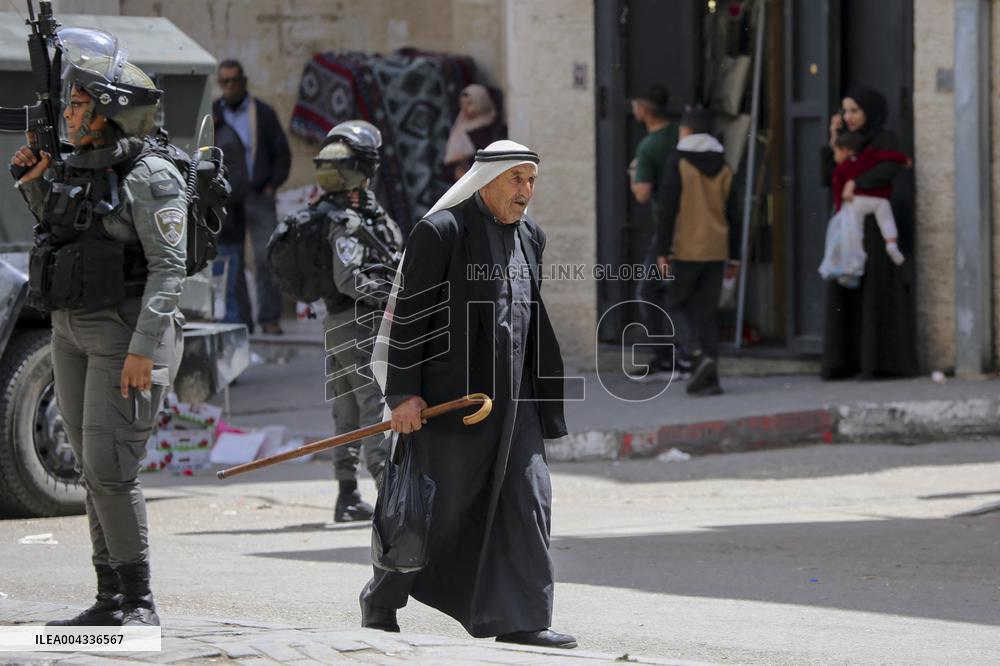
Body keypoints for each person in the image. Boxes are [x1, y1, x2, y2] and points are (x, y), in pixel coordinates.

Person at [362, 140, 576, 649]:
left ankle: (523, 618)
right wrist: (403, 395)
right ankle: (383, 597)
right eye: (516, 179)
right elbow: (409, 318)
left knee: (528, 500)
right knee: (439, 510)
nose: (525, 191)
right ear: (487, 180)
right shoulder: (441, 232)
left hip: (517, 404)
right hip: (452, 404)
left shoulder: (531, 237)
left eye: (531, 181)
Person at [10, 28, 186, 626]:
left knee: (113, 470)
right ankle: (108, 597)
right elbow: (65, 234)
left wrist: (143, 350)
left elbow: (169, 269)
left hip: (125, 332)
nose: (69, 111)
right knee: (92, 472)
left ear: (109, 111)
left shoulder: (151, 175)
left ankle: (139, 604)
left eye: (80, 103)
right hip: (70, 330)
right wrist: (35, 188)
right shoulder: (81, 165)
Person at [316, 121, 401, 521]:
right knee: (375, 409)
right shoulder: (346, 220)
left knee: (347, 412)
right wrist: (392, 296)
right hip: (359, 325)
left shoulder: (351, 211)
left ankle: (347, 495)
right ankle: (390, 496)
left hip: (339, 324)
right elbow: (348, 278)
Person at [821, 86, 919, 380]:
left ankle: (876, 363)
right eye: (845, 111)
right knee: (843, 288)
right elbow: (827, 176)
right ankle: (843, 362)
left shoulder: (884, 139)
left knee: (874, 291)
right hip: (849, 225)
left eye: (855, 111)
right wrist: (833, 139)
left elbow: (890, 167)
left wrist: (858, 182)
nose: (849, 117)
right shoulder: (845, 141)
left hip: (873, 229)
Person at [655, 107, 741, 396]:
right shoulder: (725, 165)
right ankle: (711, 379)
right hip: (716, 250)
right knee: (706, 315)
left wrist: (662, 250)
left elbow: (667, 209)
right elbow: (736, 214)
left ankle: (695, 355)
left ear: (687, 131)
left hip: (685, 248)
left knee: (674, 304)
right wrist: (735, 256)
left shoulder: (678, 161)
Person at [213, 59, 291, 335]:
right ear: (220, 84)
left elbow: (282, 153)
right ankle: (242, 322)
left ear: (244, 81)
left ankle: (269, 317)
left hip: (259, 195)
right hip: (229, 201)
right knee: (231, 261)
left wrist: (271, 184)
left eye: (235, 80)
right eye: (225, 81)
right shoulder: (213, 115)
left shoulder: (263, 113)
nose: (231, 86)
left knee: (266, 257)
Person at [628, 84, 681, 381]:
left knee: (648, 291)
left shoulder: (648, 147)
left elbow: (643, 194)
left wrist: (633, 175)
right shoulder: (677, 133)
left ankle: (666, 358)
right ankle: (681, 356)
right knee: (674, 290)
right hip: (689, 224)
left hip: (666, 227)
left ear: (644, 110)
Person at [829, 131, 910, 266]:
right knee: (886, 218)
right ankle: (891, 243)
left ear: (845, 151)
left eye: (836, 152)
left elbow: (838, 192)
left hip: (856, 201)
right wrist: (904, 159)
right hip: (877, 200)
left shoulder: (841, 170)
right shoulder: (869, 156)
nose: (834, 156)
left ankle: (858, 254)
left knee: (855, 227)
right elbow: (888, 155)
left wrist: (839, 209)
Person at [213, 111, 253, 327]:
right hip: (226, 225)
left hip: (227, 227)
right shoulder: (223, 137)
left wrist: (213, 198)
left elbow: (237, 184)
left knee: (227, 287)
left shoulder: (225, 140)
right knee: (231, 284)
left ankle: (235, 331)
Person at [442, 84, 506, 181]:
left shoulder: (488, 128)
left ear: (481, 103)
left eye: (469, 103)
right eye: (462, 103)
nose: (464, 108)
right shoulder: (461, 124)